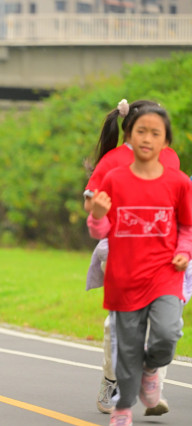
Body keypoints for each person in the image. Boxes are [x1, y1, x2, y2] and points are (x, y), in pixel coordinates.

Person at [87, 103, 192, 426]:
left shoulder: (175, 171)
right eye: (142, 131)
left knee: (167, 330)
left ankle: (150, 377)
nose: (148, 138)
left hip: (165, 265)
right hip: (123, 260)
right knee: (124, 335)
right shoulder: (113, 169)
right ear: (129, 132)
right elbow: (97, 222)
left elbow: (185, 223)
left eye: (156, 132)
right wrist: (97, 214)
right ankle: (119, 396)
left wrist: (183, 251)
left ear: (166, 139)